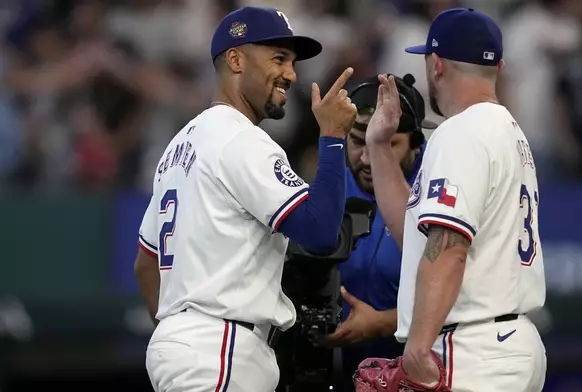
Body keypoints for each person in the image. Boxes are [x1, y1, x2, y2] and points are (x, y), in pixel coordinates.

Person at [133, 6, 358, 392]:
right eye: (278, 58)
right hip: (218, 348)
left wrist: (180, 330)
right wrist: (333, 137)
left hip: (189, 345)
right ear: (236, 59)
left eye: (292, 61)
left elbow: (145, 264)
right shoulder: (240, 139)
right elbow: (320, 231)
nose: (291, 73)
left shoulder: (179, 146)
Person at [354, 7, 547, 392]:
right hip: (505, 344)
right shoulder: (509, 132)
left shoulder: (461, 133)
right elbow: (419, 241)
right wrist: (378, 145)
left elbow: (448, 249)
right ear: (500, 67)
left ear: (436, 64)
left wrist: (418, 350)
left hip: (472, 349)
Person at [319, 73, 429, 389]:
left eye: (386, 142)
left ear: (415, 146)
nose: (368, 158)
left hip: (424, 374)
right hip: (344, 375)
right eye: (357, 141)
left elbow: (462, 299)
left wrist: (382, 323)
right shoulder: (329, 187)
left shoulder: (439, 193)